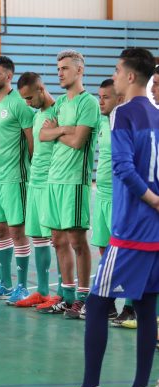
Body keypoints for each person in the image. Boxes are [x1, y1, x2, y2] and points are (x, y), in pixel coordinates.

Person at [50, 47, 158, 387]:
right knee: (145, 306)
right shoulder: (158, 115)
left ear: (130, 76)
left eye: (116, 69)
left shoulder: (123, 113)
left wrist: (153, 200)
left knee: (96, 304)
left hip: (132, 231)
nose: (112, 76)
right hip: (156, 233)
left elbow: (125, 169)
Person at [39, 50, 100, 319]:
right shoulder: (60, 103)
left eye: (64, 68)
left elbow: (79, 142)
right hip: (54, 179)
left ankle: (84, 297)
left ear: (79, 71)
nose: (60, 73)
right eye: (58, 69)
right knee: (57, 240)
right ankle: (66, 295)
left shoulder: (89, 103)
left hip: (74, 181)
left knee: (77, 240)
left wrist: (58, 132)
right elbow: (43, 134)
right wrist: (65, 129)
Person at [0, 56, 34, 303]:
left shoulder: (19, 104)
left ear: (9, 77)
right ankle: (4, 283)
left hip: (15, 179)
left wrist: (31, 173)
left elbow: (32, 143)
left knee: (17, 231)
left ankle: (22, 286)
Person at [14, 72, 60, 309]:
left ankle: (62, 293)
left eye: (30, 97)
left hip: (53, 184)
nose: (28, 103)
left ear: (42, 89)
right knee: (39, 238)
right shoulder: (37, 115)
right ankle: (42, 291)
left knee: (58, 239)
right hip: (35, 181)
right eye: (24, 99)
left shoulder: (59, 110)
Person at [91, 79, 130, 325]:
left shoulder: (126, 123)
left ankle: (131, 305)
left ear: (119, 99)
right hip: (102, 194)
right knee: (105, 251)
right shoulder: (102, 122)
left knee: (125, 252)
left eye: (106, 97)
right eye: (99, 96)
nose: (101, 101)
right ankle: (110, 305)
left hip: (120, 196)